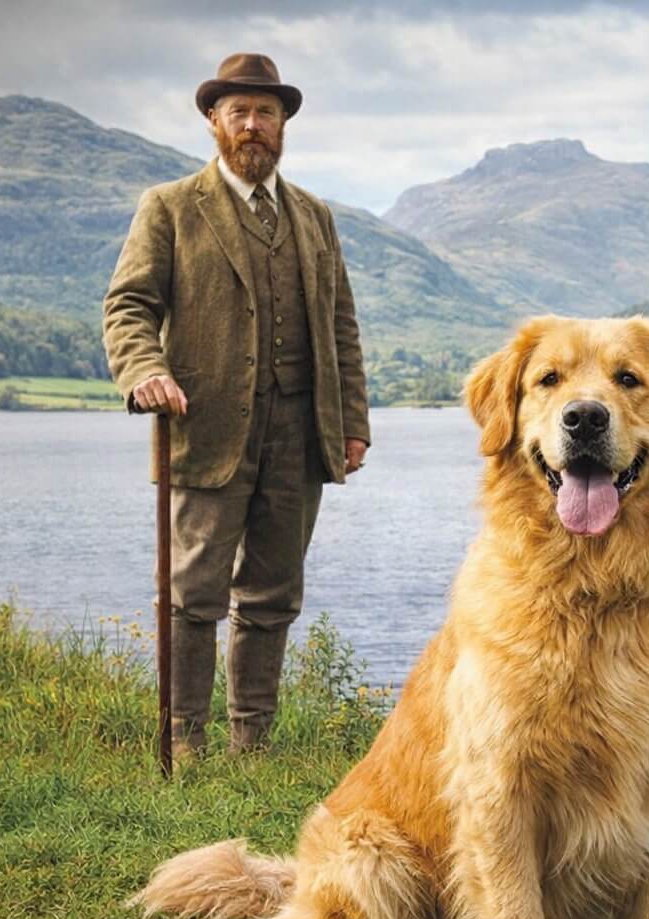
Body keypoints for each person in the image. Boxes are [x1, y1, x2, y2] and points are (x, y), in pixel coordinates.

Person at [103, 53, 371, 757]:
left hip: (300, 432)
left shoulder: (315, 216)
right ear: (213, 121)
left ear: (283, 125)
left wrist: (352, 426)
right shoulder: (169, 207)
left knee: (273, 594)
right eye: (240, 112)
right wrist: (144, 371)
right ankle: (183, 742)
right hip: (204, 425)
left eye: (267, 113)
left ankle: (251, 745)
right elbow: (129, 305)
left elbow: (341, 324)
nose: (254, 125)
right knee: (192, 595)